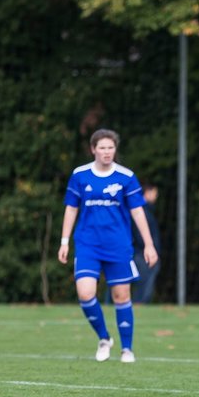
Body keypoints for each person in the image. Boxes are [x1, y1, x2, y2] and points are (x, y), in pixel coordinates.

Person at [57, 129, 159, 362]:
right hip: (87, 245)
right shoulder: (80, 175)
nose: (106, 152)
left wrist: (149, 244)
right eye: (102, 148)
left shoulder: (126, 176)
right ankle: (104, 338)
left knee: (121, 296)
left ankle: (127, 349)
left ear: (115, 150)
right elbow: (71, 208)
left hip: (118, 246)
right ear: (93, 149)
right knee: (85, 293)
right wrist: (64, 241)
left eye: (110, 148)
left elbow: (137, 211)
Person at [132, 183, 161, 304]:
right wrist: (148, 248)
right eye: (154, 193)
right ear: (147, 192)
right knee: (144, 282)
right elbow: (138, 233)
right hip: (142, 253)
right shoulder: (142, 211)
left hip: (143, 251)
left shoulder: (148, 210)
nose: (156, 196)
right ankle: (139, 304)